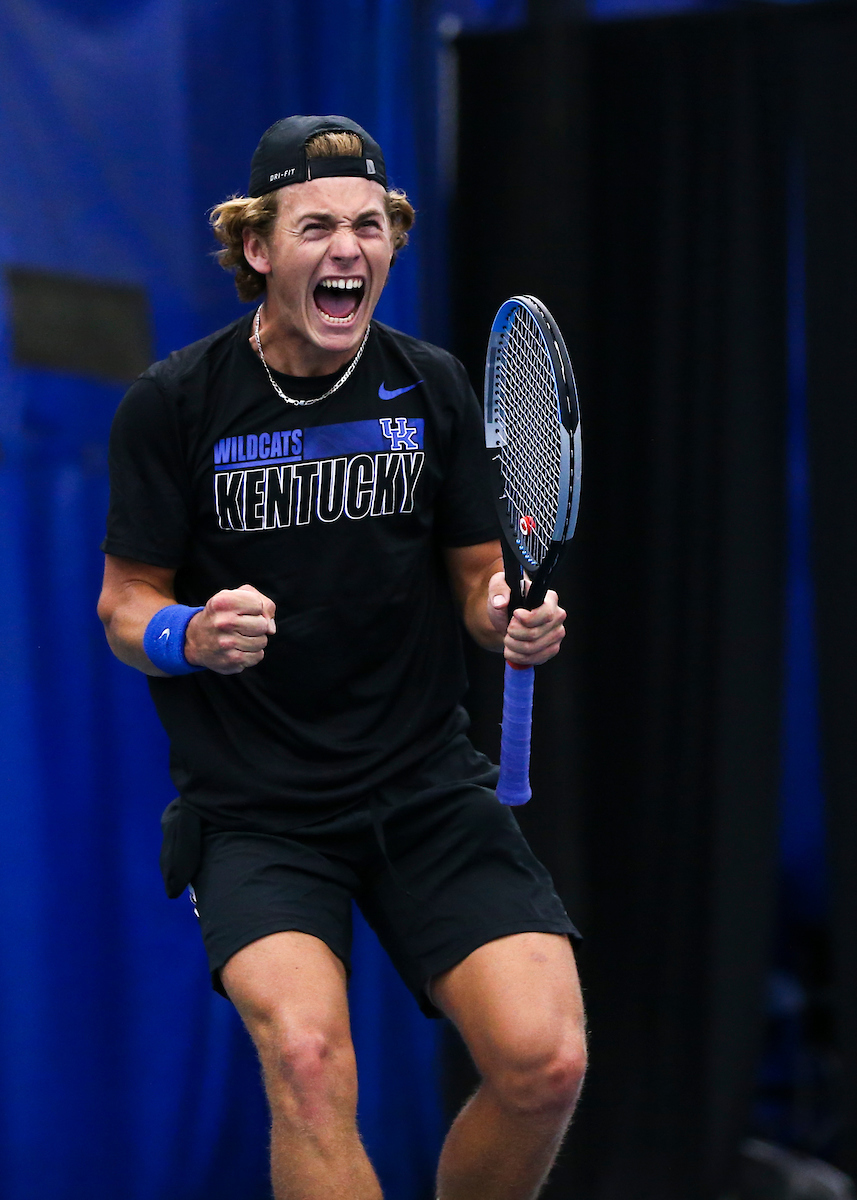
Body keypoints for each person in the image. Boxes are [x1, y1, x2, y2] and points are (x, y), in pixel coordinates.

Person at [97, 115, 585, 1200]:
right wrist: (193, 635)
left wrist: (504, 610)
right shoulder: (172, 407)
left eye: (371, 224)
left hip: (421, 786)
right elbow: (125, 607)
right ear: (261, 249)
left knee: (544, 1063)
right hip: (255, 811)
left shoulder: (435, 387)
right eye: (317, 224)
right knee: (310, 1064)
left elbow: (473, 576)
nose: (349, 247)